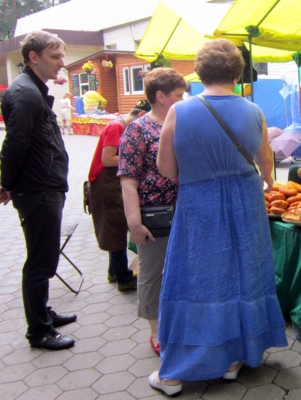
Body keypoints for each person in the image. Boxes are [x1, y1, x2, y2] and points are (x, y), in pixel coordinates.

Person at [148, 39, 288, 396]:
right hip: (245, 201)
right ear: (237, 72)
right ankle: (232, 359)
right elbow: (266, 164)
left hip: (199, 203)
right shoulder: (253, 111)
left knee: (197, 278)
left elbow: (166, 168)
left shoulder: (180, 111)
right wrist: (268, 181)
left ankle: (175, 373)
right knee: (243, 275)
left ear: (199, 71)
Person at [0, 30, 76, 350]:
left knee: (43, 258)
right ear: (33, 57)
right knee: (40, 262)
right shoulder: (26, 93)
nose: (61, 63)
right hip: (38, 190)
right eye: (55, 56)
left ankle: (43, 312)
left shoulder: (30, 89)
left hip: (42, 187)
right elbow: (14, 144)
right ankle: (39, 332)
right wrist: (6, 183)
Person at [118, 68, 186, 357]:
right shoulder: (138, 129)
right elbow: (128, 181)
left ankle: (178, 324)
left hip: (184, 211)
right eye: (178, 95)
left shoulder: (181, 122)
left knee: (180, 271)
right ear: (160, 96)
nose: (184, 100)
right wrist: (134, 223)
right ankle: (156, 332)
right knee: (152, 274)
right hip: (154, 215)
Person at [87, 102, 150, 292]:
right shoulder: (117, 127)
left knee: (115, 228)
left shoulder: (120, 126)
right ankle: (123, 278)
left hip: (111, 183)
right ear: (141, 114)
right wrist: (137, 156)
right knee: (115, 230)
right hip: (105, 184)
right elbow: (107, 159)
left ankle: (114, 272)